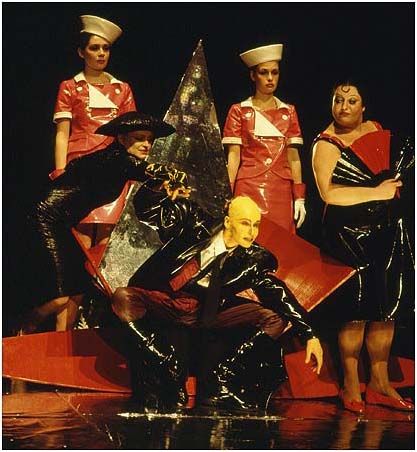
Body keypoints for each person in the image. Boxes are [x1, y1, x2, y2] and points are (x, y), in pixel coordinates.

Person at [111, 185, 323, 413]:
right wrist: (159, 190)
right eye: (245, 223)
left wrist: (310, 335)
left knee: (273, 318)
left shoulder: (253, 259)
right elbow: (146, 210)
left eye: (256, 225)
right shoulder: (196, 224)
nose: (251, 232)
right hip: (166, 299)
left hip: (204, 310)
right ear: (228, 221)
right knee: (123, 297)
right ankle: (165, 360)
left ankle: (221, 379)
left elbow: (278, 292)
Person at [25, 112, 188, 333]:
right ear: (121, 138)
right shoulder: (117, 158)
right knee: (62, 295)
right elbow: (150, 171)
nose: (147, 145)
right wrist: (174, 177)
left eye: (150, 140)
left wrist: (168, 187)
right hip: (44, 219)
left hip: (61, 223)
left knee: (78, 288)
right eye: (139, 138)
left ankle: (62, 338)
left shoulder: (111, 160)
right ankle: (25, 326)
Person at [312, 82, 414, 413]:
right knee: (356, 311)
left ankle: (380, 383)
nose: (343, 107)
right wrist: (377, 192)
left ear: (363, 106)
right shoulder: (326, 143)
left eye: (351, 101)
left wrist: (393, 190)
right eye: (338, 100)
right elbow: (329, 193)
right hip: (348, 233)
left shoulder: (374, 130)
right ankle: (352, 383)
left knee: (385, 308)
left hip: (384, 227)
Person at [52, 15, 137, 249]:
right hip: (81, 164)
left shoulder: (122, 89)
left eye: (105, 49)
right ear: (81, 52)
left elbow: (132, 135)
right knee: (81, 231)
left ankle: (99, 275)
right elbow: (62, 133)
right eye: (94, 48)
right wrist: (60, 171)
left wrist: (134, 169)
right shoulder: (70, 87)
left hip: (114, 166)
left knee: (108, 234)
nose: (101, 54)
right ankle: (80, 274)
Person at [222, 44, 306, 233]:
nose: (270, 78)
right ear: (253, 76)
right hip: (248, 188)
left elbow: (293, 158)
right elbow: (233, 157)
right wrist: (226, 194)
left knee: (280, 242)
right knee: (247, 238)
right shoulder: (239, 111)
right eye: (263, 72)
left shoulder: (289, 112)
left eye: (275, 72)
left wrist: (299, 197)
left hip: (281, 191)